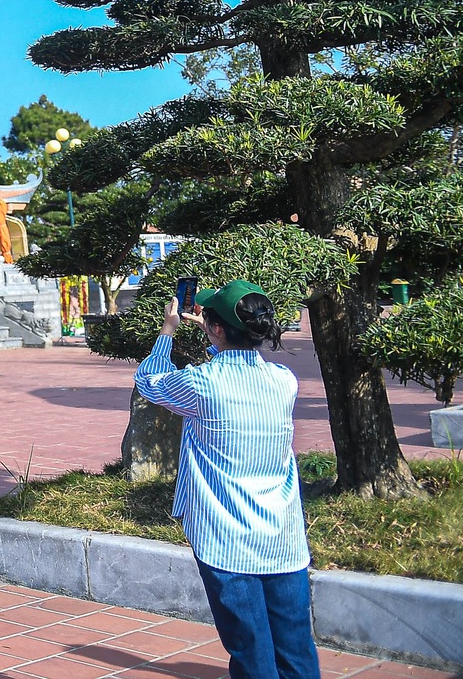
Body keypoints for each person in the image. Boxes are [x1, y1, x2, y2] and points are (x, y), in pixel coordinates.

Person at [136, 279, 321, 679]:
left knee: (251, 651)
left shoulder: (202, 383)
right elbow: (233, 361)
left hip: (226, 538)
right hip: (282, 536)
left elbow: (149, 382)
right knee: (296, 647)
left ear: (216, 328)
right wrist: (216, 334)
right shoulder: (283, 380)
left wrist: (168, 330)